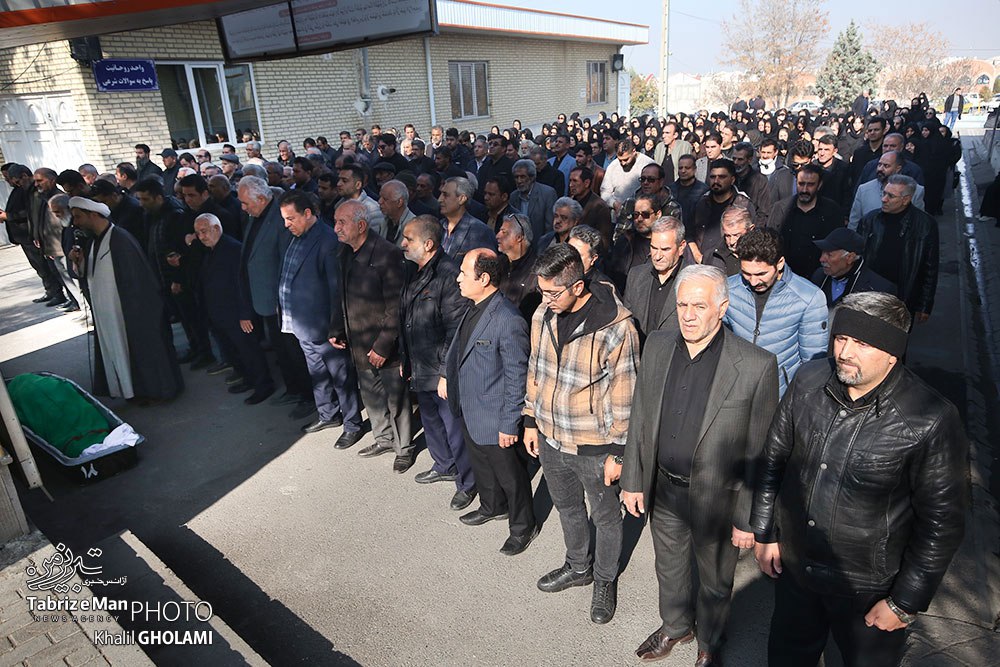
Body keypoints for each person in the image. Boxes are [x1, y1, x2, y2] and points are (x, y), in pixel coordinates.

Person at [751, 291, 968, 667]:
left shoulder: (930, 419)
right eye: (841, 338)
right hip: (798, 571)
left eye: (862, 343)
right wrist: (765, 532)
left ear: (892, 352)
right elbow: (774, 459)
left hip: (867, 589)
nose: (845, 352)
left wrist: (904, 603)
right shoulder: (807, 382)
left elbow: (942, 524)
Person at [622, 265, 778, 667]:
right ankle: (676, 626)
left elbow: (761, 450)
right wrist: (633, 479)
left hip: (719, 497)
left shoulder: (757, 365)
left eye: (699, 306)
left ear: (722, 308)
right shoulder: (656, 344)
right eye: (682, 304)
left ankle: (710, 641)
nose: (688, 314)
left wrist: (748, 518)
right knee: (669, 563)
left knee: (715, 577)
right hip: (665, 487)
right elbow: (641, 416)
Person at [524, 243, 639, 625]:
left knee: (606, 517)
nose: (545, 300)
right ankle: (578, 566)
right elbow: (535, 368)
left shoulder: (617, 326)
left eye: (553, 292)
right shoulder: (543, 313)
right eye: (542, 291)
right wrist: (530, 419)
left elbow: (626, 394)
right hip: (551, 437)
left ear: (578, 285)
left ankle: (604, 580)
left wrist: (619, 453)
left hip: (595, 445)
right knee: (568, 507)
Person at [445, 248, 536, 553]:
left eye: (463, 273)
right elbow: (459, 350)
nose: (457, 278)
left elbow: (516, 376)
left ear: (483, 278)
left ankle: (523, 525)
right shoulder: (472, 306)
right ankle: (491, 506)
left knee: (512, 478)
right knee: (482, 467)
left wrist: (510, 424)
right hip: (470, 409)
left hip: (497, 417)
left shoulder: (507, 319)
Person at [68, 197, 182, 402]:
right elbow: (91, 274)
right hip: (108, 313)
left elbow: (138, 282)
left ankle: (152, 392)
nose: (75, 222)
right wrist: (78, 261)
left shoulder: (120, 239)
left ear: (93, 215)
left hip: (127, 312)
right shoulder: (93, 241)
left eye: (78, 217)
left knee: (140, 352)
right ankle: (132, 390)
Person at [279, 191, 364, 447]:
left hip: (325, 328)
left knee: (341, 377)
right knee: (317, 374)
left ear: (308, 214)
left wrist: (335, 328)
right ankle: (328, 414)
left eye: (291, 218)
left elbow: (335, 289)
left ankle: (352, 423)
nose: (286, 224)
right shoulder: (296, 237)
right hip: (302, 326)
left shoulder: (327, 240)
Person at [334, 199, 413, 469]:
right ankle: (383, 438)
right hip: (357, 340)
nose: (336, 229)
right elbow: (342, 295)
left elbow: (396, 306)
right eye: (336, 222)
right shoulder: (345, 252)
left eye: (341, 223)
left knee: (396, 398)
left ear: (361, 225)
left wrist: (382, 346)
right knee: (371, 395)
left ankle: (404, 447)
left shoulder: (387, 254)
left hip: (384, 345)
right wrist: (336, 328)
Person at [235, 176, 314, 417]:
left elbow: (286, 261)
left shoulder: (280, 218)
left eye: (246, 203)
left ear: (261, 198)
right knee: (281, 351)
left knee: (294, 352)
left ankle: (307, 397)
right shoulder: (256, 215)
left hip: (281, 301)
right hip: (265, 300)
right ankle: (292, 388)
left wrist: (284, 300)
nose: (242, 208)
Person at [725, 228, 828, 396]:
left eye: (761, 274)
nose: (753, 281)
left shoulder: (809, 297)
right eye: (746, 273)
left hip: (779, 395)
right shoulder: (729, 288)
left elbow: (812, 364)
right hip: (735, 390)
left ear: (779, 263)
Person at [194, 213, 274, 404]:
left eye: (204, 231)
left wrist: (245, 314)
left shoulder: (232, 249)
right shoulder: (210, 249)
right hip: (220, 313)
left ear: (216, 228)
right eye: (198, 233)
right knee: (235, 352)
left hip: (237, 314)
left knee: (249, 351)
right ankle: (249, 380)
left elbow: (243, 284)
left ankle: (264, 386)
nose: (201, 236)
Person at [856, 174, 938, 322]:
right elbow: (857, 256)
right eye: (884, 193)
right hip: (870, 292)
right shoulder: (870, 220)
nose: (884, 199)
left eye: (890, 196)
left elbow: (930, 268)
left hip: (903, 295)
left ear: (905, 200)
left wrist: (925, 305)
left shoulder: (925, 225)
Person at [622, 216, 691, 343]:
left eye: (665, 249)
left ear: (681, 247)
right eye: (653, 248)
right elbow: (627, 321)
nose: (657, 256)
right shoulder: (636, 276)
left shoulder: (695, 281)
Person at [769, 163, 845, 278]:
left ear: (819, 185)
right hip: (785, 275)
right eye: (801, 184)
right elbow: (770, 242)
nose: (804, 189)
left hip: (820, 276)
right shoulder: (780, 208)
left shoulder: (832, 211)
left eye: (810, 185)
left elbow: (837, 246)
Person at [689, 158, 755, 264]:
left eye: (722, 177)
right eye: (713, 177)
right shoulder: (701, 202)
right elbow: (689, 233)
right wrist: (697, 256)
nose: (716, 181)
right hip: (702, 264)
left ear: (732, 179)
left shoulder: (743, 205)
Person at [811, 227, 896, 308]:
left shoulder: (878, 290)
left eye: (829, 255)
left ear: (850, 257)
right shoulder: (819, 276)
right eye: (822, 253)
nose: (821, 259)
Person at [849, 151, 926, 228]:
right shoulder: (863, 190)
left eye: (886, 166)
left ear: (898, 168)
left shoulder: (915, 191)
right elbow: (854, 222)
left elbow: (919, 223)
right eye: (879, 165)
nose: (880, 169)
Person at [496, 213, 540, 320]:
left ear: (519, 237)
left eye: (504, 232)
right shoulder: (498, 263)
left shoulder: (537, 270)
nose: (497, 236)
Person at [439, 177, 496, 259]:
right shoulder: (438, 226)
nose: (440, 199)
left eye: (445, 195)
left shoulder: (480, 232)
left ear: (462, 199)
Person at [508, 159, 557, 243]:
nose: (519, 181)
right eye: (516, 177)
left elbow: (550, 227)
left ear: (532, 177)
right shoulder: (513, 196)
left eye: (522, 177)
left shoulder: (548, 194)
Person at [601, 140, 656, 213]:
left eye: (626, 159)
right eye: (620, 160)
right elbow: (605, 192)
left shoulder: (648, 164)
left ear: (634, 151)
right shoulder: (612, 166)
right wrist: (614, 204)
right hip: (618, 215)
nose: (623, 163)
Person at [336, 163, 385, 237]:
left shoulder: (372, 210)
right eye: (339, 179)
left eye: (345, 181)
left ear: (358, 185)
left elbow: (373, 242)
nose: (339, 184)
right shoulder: (339, 204)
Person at [568, 166, 613, 247]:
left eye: (575, 181)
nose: (571, 185)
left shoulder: (600, 207)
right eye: (570, 181)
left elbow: (604, 240)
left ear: (586, 183)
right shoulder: (568, 202)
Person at [732, 142, 773, 228]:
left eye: (740, 159)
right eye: (734, 159)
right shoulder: (729, 177)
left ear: (749, 160)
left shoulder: (760, 180)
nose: (736, 162)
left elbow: (764, 211)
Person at [707, 206, 753, 277]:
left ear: (750, 229)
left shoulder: (762, 253)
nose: (732, 242)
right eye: (727, 236)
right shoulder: (712, 256)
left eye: (737, 235)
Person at [671, 154, 709, 230]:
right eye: (680, 168)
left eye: (687, 168)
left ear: (695, 169)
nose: (683, 171)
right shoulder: (670, 189)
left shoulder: (704, 190)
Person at [378, 179, 415, 246]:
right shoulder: (383, 221)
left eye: (385, 199)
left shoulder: (413, 226)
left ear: (399, 202)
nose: (380, 201)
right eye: (380, 197)